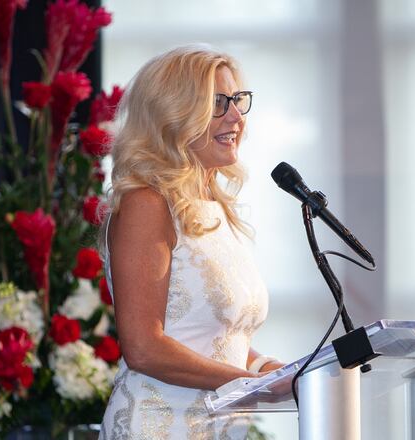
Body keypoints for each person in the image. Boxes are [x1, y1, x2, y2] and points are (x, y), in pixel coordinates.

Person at [98, 45, 284, 439]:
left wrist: (269, 369)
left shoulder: (215, 207)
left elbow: (209, 335)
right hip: (158, 427)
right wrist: (253, 387)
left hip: (220, 427)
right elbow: (144, 348)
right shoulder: (146, 204)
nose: (236, 116)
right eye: (218, 103)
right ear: (173, 114)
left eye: (237, 101)